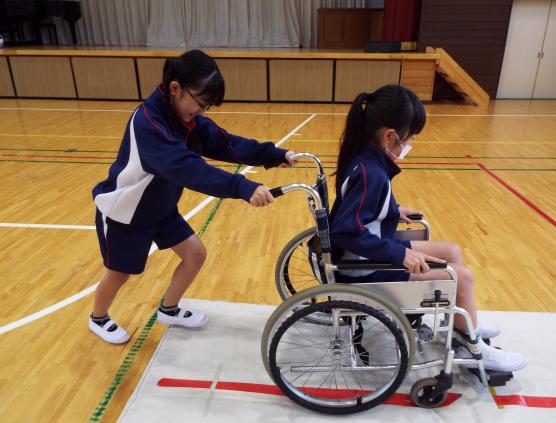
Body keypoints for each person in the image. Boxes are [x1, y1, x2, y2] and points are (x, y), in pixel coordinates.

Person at [90, 50, 295, 344]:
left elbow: (227, 143)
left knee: (195, 254)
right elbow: (188, 169)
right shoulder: (148, 124)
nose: (201, 112)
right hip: (127, 211)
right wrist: (243, 187)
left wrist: (273, 155)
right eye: (200, 103)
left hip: (159, 207)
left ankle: (168, 309)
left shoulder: (184, 118)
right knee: (120, 273)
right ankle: (98, 317)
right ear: (175, 88)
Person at [329, 84, 527, 372]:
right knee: (463, 277)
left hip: (370, 252)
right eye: (409, 138)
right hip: (364, 267)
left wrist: (393, 210)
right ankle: (473, 348)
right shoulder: (372, 173)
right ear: (389, 136)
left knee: (451, 251)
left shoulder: (366, 160)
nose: (409, 145)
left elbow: (359, 209)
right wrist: (399, 255)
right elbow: (345, 230)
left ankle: (460, 325)